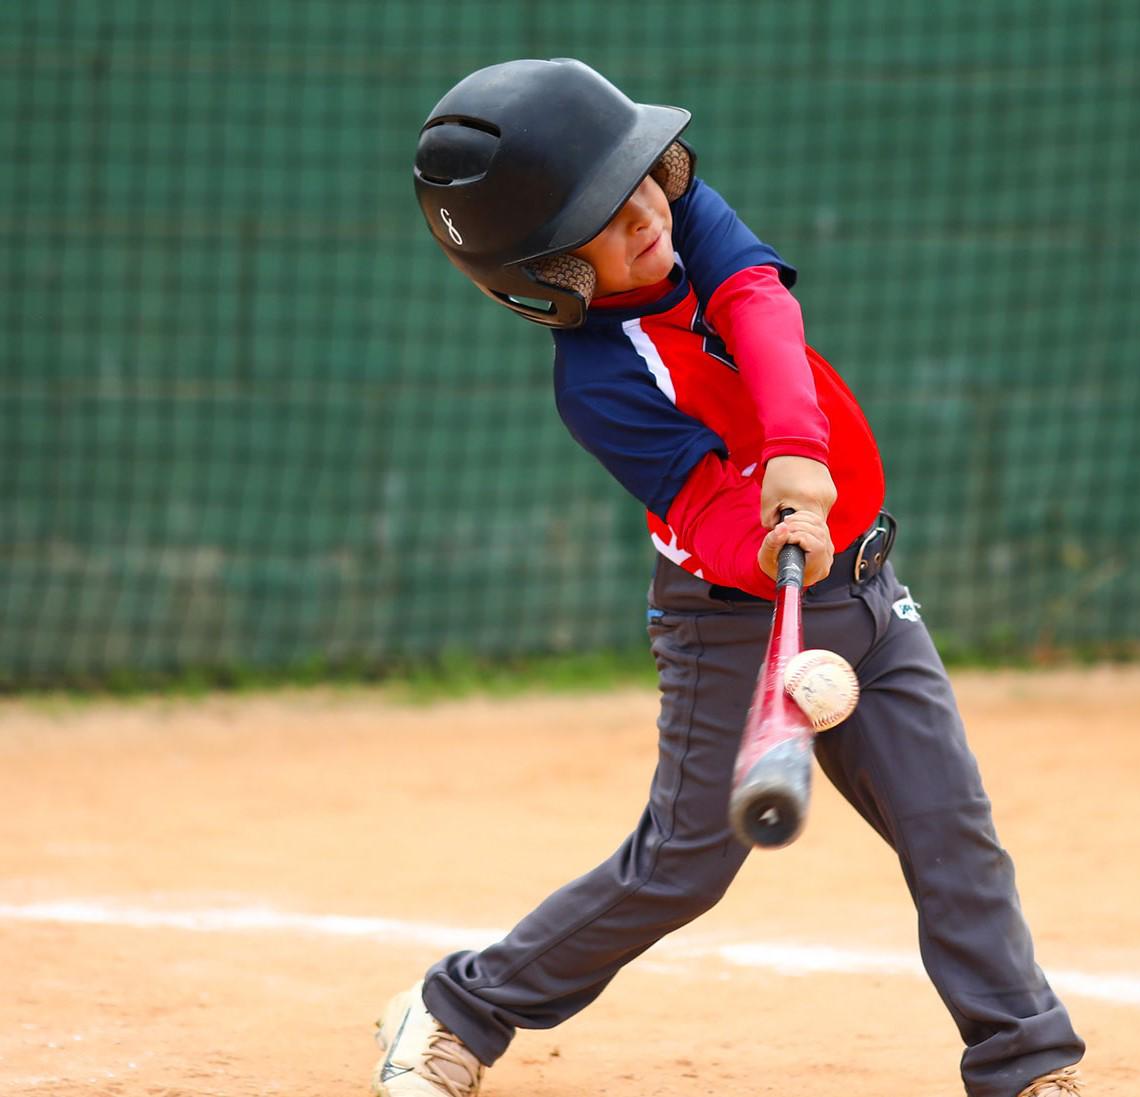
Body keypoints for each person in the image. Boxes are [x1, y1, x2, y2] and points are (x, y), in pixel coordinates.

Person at [375, 58, 1085, 1097]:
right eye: (601, 223)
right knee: (682, 866)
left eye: (638, 184)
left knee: (950, 829)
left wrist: (797, 449)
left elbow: (757, 304)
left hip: (861, 589)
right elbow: (702, 510)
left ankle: (1024, 1062)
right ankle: (458, 1005)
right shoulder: (600, 382)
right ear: (549, 272)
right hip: (727, 626)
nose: (642, 217)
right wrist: (759, 538)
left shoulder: (684, 214)